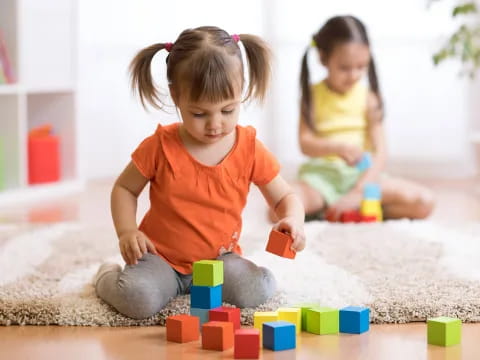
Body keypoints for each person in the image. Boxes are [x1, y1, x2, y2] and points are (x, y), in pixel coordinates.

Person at [94, 26, 306, 320]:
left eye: (228, 110)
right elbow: (124, 189)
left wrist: (293, 219)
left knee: (253, 292)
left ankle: (237, 280)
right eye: (199, 114)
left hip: (220, 260)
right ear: (175, 96)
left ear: (241, 90)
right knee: (137, 299)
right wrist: (127, 231)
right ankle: (106, 275)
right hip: (161, 259)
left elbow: (285, 196)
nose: (215, 124)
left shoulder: (249, 148)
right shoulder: (160, 146)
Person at [292, 15, 434, 221]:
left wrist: (359, 191)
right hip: (322, 179)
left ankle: (352, 209)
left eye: (361, 67)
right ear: (323, 58)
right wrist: (337, 149)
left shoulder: (369, 98)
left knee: (424, 202)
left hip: (363, 179)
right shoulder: (311, 96)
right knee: (281, 207)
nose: (354, 75)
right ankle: (336, 208)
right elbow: (305, 143)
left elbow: (381, 152)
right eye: (344, 68)